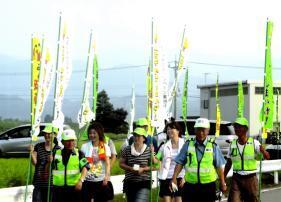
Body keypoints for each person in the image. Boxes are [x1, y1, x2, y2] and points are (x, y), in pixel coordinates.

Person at [171, 118, 227, 202]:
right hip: (190, 186)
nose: (201, 133)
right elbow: (180, 163)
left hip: (208, 186)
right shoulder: (188, 145)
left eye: (203, 130)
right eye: (198, 130)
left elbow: (219, 166)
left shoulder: (213, 146)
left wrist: (222, 182)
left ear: (208, 131)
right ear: (195, 130)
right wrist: (174, 177)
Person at [224, 117, 270, 202]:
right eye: (235, 127)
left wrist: (263, 151)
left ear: (246, 129)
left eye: (239, 127)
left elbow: (267, 157)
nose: (237, 129)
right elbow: (228, 163)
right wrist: (223, 179)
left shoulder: (254, 143)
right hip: (236, 178)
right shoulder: (232, 144)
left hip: (251, 178)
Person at [47, 129, 89, 202]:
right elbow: (47, 170)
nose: (70, 143)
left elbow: (86, 167)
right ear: (62, 141)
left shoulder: (79, 153)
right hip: (58, 190)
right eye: (68, 141)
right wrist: (48, 162)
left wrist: (81, 181)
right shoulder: (55, 153)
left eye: (72, 140)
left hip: (74, 189)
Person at [80, 122, 113, 202]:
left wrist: (107, 177)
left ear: (99, 133)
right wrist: (81, 179)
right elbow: (82, 163)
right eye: (90, 133)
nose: (92, 135)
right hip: (87, 181)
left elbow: (108, 163)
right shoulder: (84, 146)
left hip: (100, 181)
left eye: (94, 133)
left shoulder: (105, 147)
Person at [153, 121, 185, 202]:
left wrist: (185, 177)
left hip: (180, 177)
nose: (169, 131)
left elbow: (190, 163)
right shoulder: (163, 146)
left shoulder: (185, 144)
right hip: (166, 178)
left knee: (179, 200)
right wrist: (151, 153)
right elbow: (156, 161)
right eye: (167, 129)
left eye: (172, 129)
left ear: (178, 131)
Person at [120, 127, 153, 202]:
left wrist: (144, 169)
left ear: (144, 138)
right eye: (134, 135)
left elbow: (157, 166)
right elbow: (121, 163)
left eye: (138, 136)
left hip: (144, 182)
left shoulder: (148, 150)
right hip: (130, 182)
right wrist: (130, 169)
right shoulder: (127, 149)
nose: (136, 138)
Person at [30, 124, 59, 202]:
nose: (47, 135)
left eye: (49, 133)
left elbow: (58, 168)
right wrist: (31, 152)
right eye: (45, 133)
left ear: (55, 134)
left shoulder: (58, 149)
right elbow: (34, 163)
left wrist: (51, 162)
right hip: (38, 182)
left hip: (52, 184)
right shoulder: (38, 146)